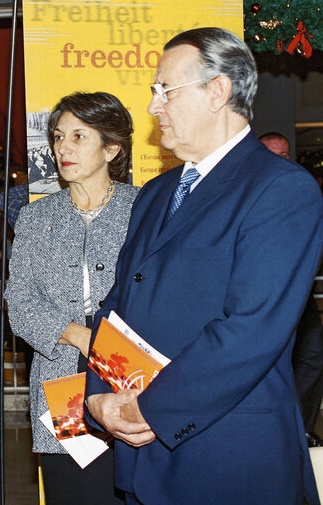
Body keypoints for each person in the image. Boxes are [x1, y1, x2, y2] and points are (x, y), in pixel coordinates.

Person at [85, 27, 323, 505]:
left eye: (164, 90)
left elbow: (250, 329)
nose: (153, 106)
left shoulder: (280, 189)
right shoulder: (155, 194)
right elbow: (119, 304)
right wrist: (97, 396)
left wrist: (149, 409)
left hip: (226, 456)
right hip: (142, 457)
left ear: (218, 91)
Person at [5, 91, 139, 504]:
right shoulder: (35, 217)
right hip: (62, 382)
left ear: (111, 148)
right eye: (59, 137)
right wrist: (81, 337)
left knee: (135, 490)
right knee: (75, 491)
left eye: (79, 137)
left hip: (136, 380)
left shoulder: (144, 209)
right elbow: (21, 302)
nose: (63, 147)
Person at [259, 131, 323, 447]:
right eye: (270, 153)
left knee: (312, 356)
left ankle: (301, 428)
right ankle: (277, 434)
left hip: (299, 291)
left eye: (283, 154)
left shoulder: (300, 188)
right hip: (259, 296)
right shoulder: (248, 191)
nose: (278, 159)